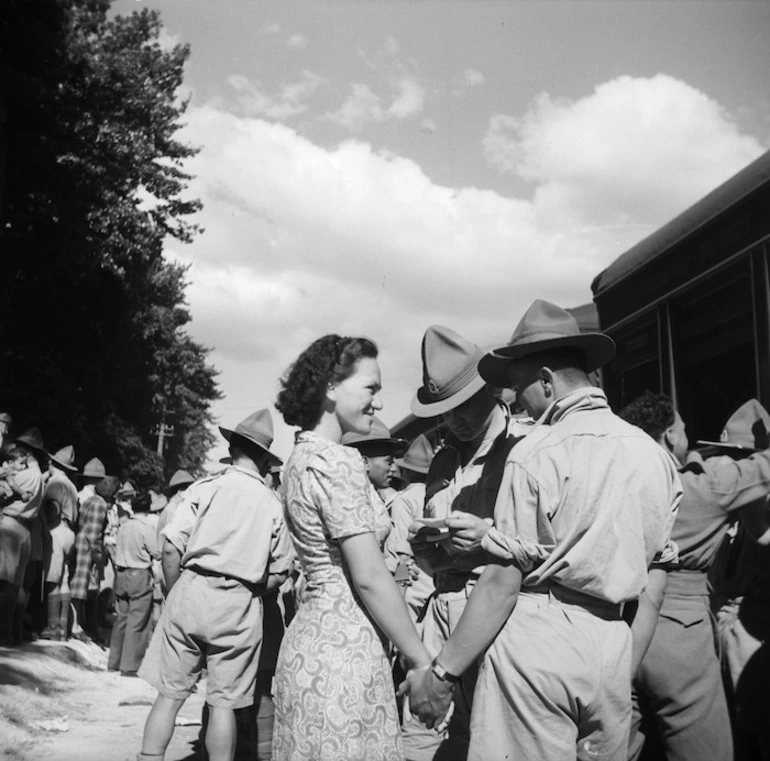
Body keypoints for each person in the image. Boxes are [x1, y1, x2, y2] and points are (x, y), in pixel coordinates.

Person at [406, 299, 682, 761]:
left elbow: (502, 581)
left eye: (518, 387)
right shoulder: (654, 455)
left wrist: (442, 673)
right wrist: (621, 667)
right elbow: (655, 582)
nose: (516, 399)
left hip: (536, 639)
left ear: (548, 381)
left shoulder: (534, 451)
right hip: (613, 641)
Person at [271, 334, 432, 761]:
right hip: (344, 656)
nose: (378, 403)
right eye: (371, 388)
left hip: (310, 648)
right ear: (329, 385)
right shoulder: (336, 461)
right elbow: (369, 575)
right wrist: (420, 661)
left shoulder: (301, 457)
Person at [403, 325, 533, 761]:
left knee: (491, 743)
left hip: (495, 616)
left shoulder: (526, 450)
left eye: (461, 405)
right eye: (443, 409)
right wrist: (428, 555)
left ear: (492, 391)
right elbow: (437, 561)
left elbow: (530, 553)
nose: (452, 418)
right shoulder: (443, 458)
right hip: (440, 610)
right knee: (419, 736)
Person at [620, 393, 770, 761]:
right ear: (670, 435)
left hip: (619, 626)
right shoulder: (704, 485)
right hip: (679, 628)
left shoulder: (619, 484)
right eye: (684, 429)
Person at [138, 409, 294, 761]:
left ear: (233, 448)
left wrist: (176, 588)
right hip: (239, 603)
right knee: (223, 705)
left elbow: (169, 546)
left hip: (191, 590)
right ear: (264, 458)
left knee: (169, 695)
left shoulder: (205, 488)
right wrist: (249, 588)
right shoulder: (272, 504)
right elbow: (280, 571)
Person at [703, 400, 770, 761]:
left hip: (756, 636)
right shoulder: (724, 511)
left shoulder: (760, 512)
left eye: (738, 457)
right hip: (723, 641)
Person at [0, 429, 46, 646]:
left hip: (10, 526)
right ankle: (13, 632)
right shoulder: (39, 476)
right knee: (17, 585)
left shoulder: (22, 474)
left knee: (5, 583)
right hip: (26, 530)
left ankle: (4, 631)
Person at [108, 490, 160, 676]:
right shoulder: (145, 528)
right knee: (137, 621)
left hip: (121, 574)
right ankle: (129, 666)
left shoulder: (124, 526)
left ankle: (114, 661)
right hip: (139, 574)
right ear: (148, 508)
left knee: (121, 619)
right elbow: (156, 553)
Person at [384, 434, 435, 623]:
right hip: (436, 583)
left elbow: (403, 555)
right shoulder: (439, 493)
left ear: (406, 472)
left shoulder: (403, 500)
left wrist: (399, 591)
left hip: (414, 585)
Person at [71, 475, 120, 644]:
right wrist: (99, 557)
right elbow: (94, 534)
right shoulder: (99, 504)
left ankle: (79, 624)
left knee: (81, 586)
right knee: (81, 586)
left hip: (81, 543)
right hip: (87, 548)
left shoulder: (90, 500)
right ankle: (76, 626)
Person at [39, 476, 76, 642]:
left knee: (52, 581)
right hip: (69, 531)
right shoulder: (71, 484)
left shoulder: (56, 482)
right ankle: (63, 626)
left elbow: (54, 506)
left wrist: (45, 522)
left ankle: (53, 627)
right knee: (64, 580)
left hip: (57, 530)